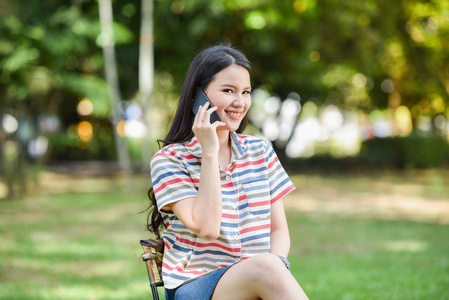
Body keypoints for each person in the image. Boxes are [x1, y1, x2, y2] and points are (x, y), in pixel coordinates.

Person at [146, 44, 309, 300]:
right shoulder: (169, 160)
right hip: (196, 285)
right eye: (228, 91)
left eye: (246, 92)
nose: (240, 102)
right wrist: (209, 152)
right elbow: (207, 228)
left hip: (256, 278)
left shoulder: (260, 151)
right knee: (265, 266)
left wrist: (276, 268)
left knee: (267, 265)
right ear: (198, 96)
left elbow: (278, 230)